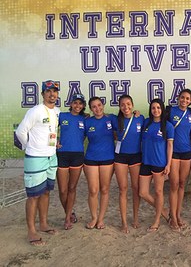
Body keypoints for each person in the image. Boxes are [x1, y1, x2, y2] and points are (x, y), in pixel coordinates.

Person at [16, 80, 61, 246]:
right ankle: (31, 231)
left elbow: (51, 131)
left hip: (51, 157)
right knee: (33, 195)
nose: (52, 94)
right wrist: (30, 147)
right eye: (48, 91)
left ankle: (43, 224)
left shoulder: (57, 111)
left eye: (54, 91)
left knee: (46, 192)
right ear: (42, 94)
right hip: (35, 158)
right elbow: (21, 131)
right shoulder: (35, 111)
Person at [139, 98, 174, 232]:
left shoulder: (168, 126)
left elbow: (170, 145)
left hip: (159, 163)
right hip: (146, 161)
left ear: (162, 109)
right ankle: (164, 211)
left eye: (158, 108)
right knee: (143, 193)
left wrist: (168, 164)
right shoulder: (146, 123)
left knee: (159, 192)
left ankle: (157, 220)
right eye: (153, 108)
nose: (156, 110)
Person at [113, 95, 144, 233]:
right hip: (120, 157)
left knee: (136, 188)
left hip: (136, 157)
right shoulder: (115, 119)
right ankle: (124, 222)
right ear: (119, 107)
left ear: (132, 104)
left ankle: (135, 218)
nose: (126, 107)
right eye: (123, 105)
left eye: (128, 104)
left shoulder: (140, 118)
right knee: (123, 189)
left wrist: (138, 112)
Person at [84, 96, 116, 230]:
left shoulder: (111, 118)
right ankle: (94, 217)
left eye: (99, 105)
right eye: (94, 107)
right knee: (93, 190)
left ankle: (101, 219)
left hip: (108, 158)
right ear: (91, 109)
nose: (97, 108)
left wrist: (135, 113)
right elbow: (77, 135)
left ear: (103, 105)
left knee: (104, 189)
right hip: (91, 158)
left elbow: (126, 119)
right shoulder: (87, 122)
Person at [167, 89, 191, 230]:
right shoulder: (170, 111)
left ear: (190, 100)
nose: (184, 100)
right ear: (178, 98)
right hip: (173, 153)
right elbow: (156, 120)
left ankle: (178, 214)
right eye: (182, 98)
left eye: (187, 98)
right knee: (174, 184)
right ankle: (172, 216)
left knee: (182, 184)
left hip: (186, 152)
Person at [56, 93, 86, 230]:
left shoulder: (85, 119)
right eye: (75, 103)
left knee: (72, 188)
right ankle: (69, 211)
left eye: (80, 103)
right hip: (62, 155)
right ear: (70, 104)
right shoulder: (62, 116)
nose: (77, 106)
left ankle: (68, 218)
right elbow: (48, 128)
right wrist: (53, 141)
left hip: (77, 155)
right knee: (63, 190)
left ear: (83, 106)